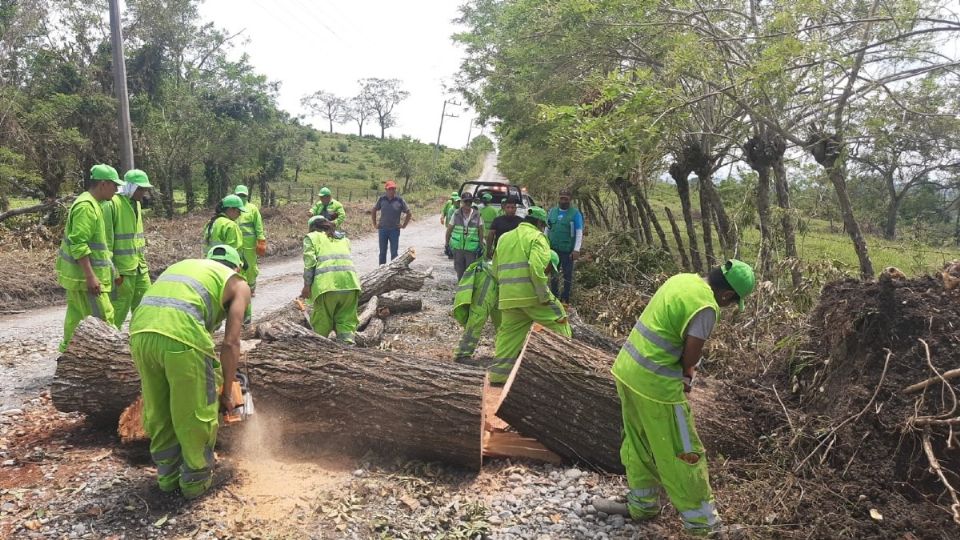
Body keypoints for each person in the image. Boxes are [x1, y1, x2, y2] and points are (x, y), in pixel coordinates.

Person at [605, 260, 755, 535]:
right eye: (733, 303)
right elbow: (691, 354)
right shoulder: (706, 306)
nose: (729, 306)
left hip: (627, 371)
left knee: (638, 442)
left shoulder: (682, 279)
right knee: (684, 453)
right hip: (656, 386)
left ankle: (643, 504)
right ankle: (703, 525)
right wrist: (688, 371)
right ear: (727, 295)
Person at [129, 244, 251, 499]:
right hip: (182, 338)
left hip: (139, 334)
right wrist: (227, 392)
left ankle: (167, 478)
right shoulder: (238, 284)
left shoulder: (187, 268)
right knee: (197, 412)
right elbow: (231, 343)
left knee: (159, 409)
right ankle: (196, 482)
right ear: (237, 267)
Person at [488, 207, 571, 384]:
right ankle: (569, 369)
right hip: (532, 296)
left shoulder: (504, 238)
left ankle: (498, 377)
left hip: (508, 297)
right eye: (543, 226)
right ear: (540, 224)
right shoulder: (537, 237)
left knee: (508, 337)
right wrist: (544, 296)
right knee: (560, 318)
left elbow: (495, 270)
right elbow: (536, 267)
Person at [56, 164, 124, 352]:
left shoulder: (92, 204)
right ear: (103, 184)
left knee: (76, 321)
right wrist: (90, 276)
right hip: (86, 279)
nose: (117, 190)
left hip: (79, 278)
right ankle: (111, 359)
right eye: (114, 186)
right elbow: (79, 244)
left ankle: (66, 357)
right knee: (104, 319)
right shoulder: (86, 207)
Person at [102, 169, 153, 328]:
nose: (143, 193)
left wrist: (143, 264)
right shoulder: (113, 204)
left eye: (145, 189)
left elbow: (137, 239)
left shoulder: (136, 204)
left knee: (147, 306)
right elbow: (106, 242)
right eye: (140, 189)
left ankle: (143, 341)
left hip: (139, 267)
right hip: (122, 270)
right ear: (130, 187)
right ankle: (108, 343)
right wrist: (113, 271)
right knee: (118, 308)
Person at [300, 216, 360, 344]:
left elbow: (309, 263)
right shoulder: (343, 238)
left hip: (327, 286)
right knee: (346, 322)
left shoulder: (312, 237)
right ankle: (348, 351)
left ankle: (318, 351)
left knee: (322, 322)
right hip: (351, 284)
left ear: (312, 228)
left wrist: (307, 286)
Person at [546, 189, 584, 303]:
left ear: (570, 199)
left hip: (567, 250)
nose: (563, 200)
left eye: (566, 198)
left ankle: (565, 298)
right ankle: (554, 296)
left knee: (567, 274)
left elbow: (579, 232)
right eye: (561, 198)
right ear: (559, 198)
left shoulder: (575, 214)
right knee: (554, 273)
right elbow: (547, 228)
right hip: (553, 250)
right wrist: (544, 245)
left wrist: (576, 249)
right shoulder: (552, 211)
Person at [234, 186, 266, 299]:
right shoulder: (232, 209)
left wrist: (261, 240)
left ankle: (251, 289)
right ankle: (239, 289)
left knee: (250, 268)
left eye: (243, 195)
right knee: (237, 267)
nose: (241, 197)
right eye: (239, 195)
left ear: (247, 196)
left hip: (249, 245)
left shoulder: (252, 208)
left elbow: (258, 226)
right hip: (235, 245)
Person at [371, 180, 412, 265]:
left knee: (394, 253)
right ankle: (381, 273)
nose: (391, 191)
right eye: (389, 189)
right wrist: (375, 224)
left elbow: (409, 213)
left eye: (393, 189)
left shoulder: (400, 200)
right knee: (382, 253)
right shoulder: (382, 199)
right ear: (386, 190)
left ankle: (393, 272)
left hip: (394, 230)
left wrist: (404, 225)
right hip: (382, 229)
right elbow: (374, 210)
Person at [446, 192, 485, 281]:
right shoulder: (456, 214)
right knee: (459, 271)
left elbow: (481, 231)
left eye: (470, 202)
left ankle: (468, 292)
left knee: (470, 272)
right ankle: (460, 290)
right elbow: (449, 230)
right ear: (462, 202)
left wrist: (481, 245)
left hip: (471, 249)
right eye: (466, 201)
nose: (468, 204)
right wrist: (447, 244)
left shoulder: (477, 214)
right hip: (458, 248)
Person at [444, 193, 461, 259]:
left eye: (459, 201)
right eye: (457, 201)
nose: (458, 203)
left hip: (458, 229)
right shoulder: (451, 210)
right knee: (451, 240)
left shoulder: (460, 209)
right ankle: (450, 252)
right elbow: (450, 220)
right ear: (454, 202)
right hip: (452, 228)